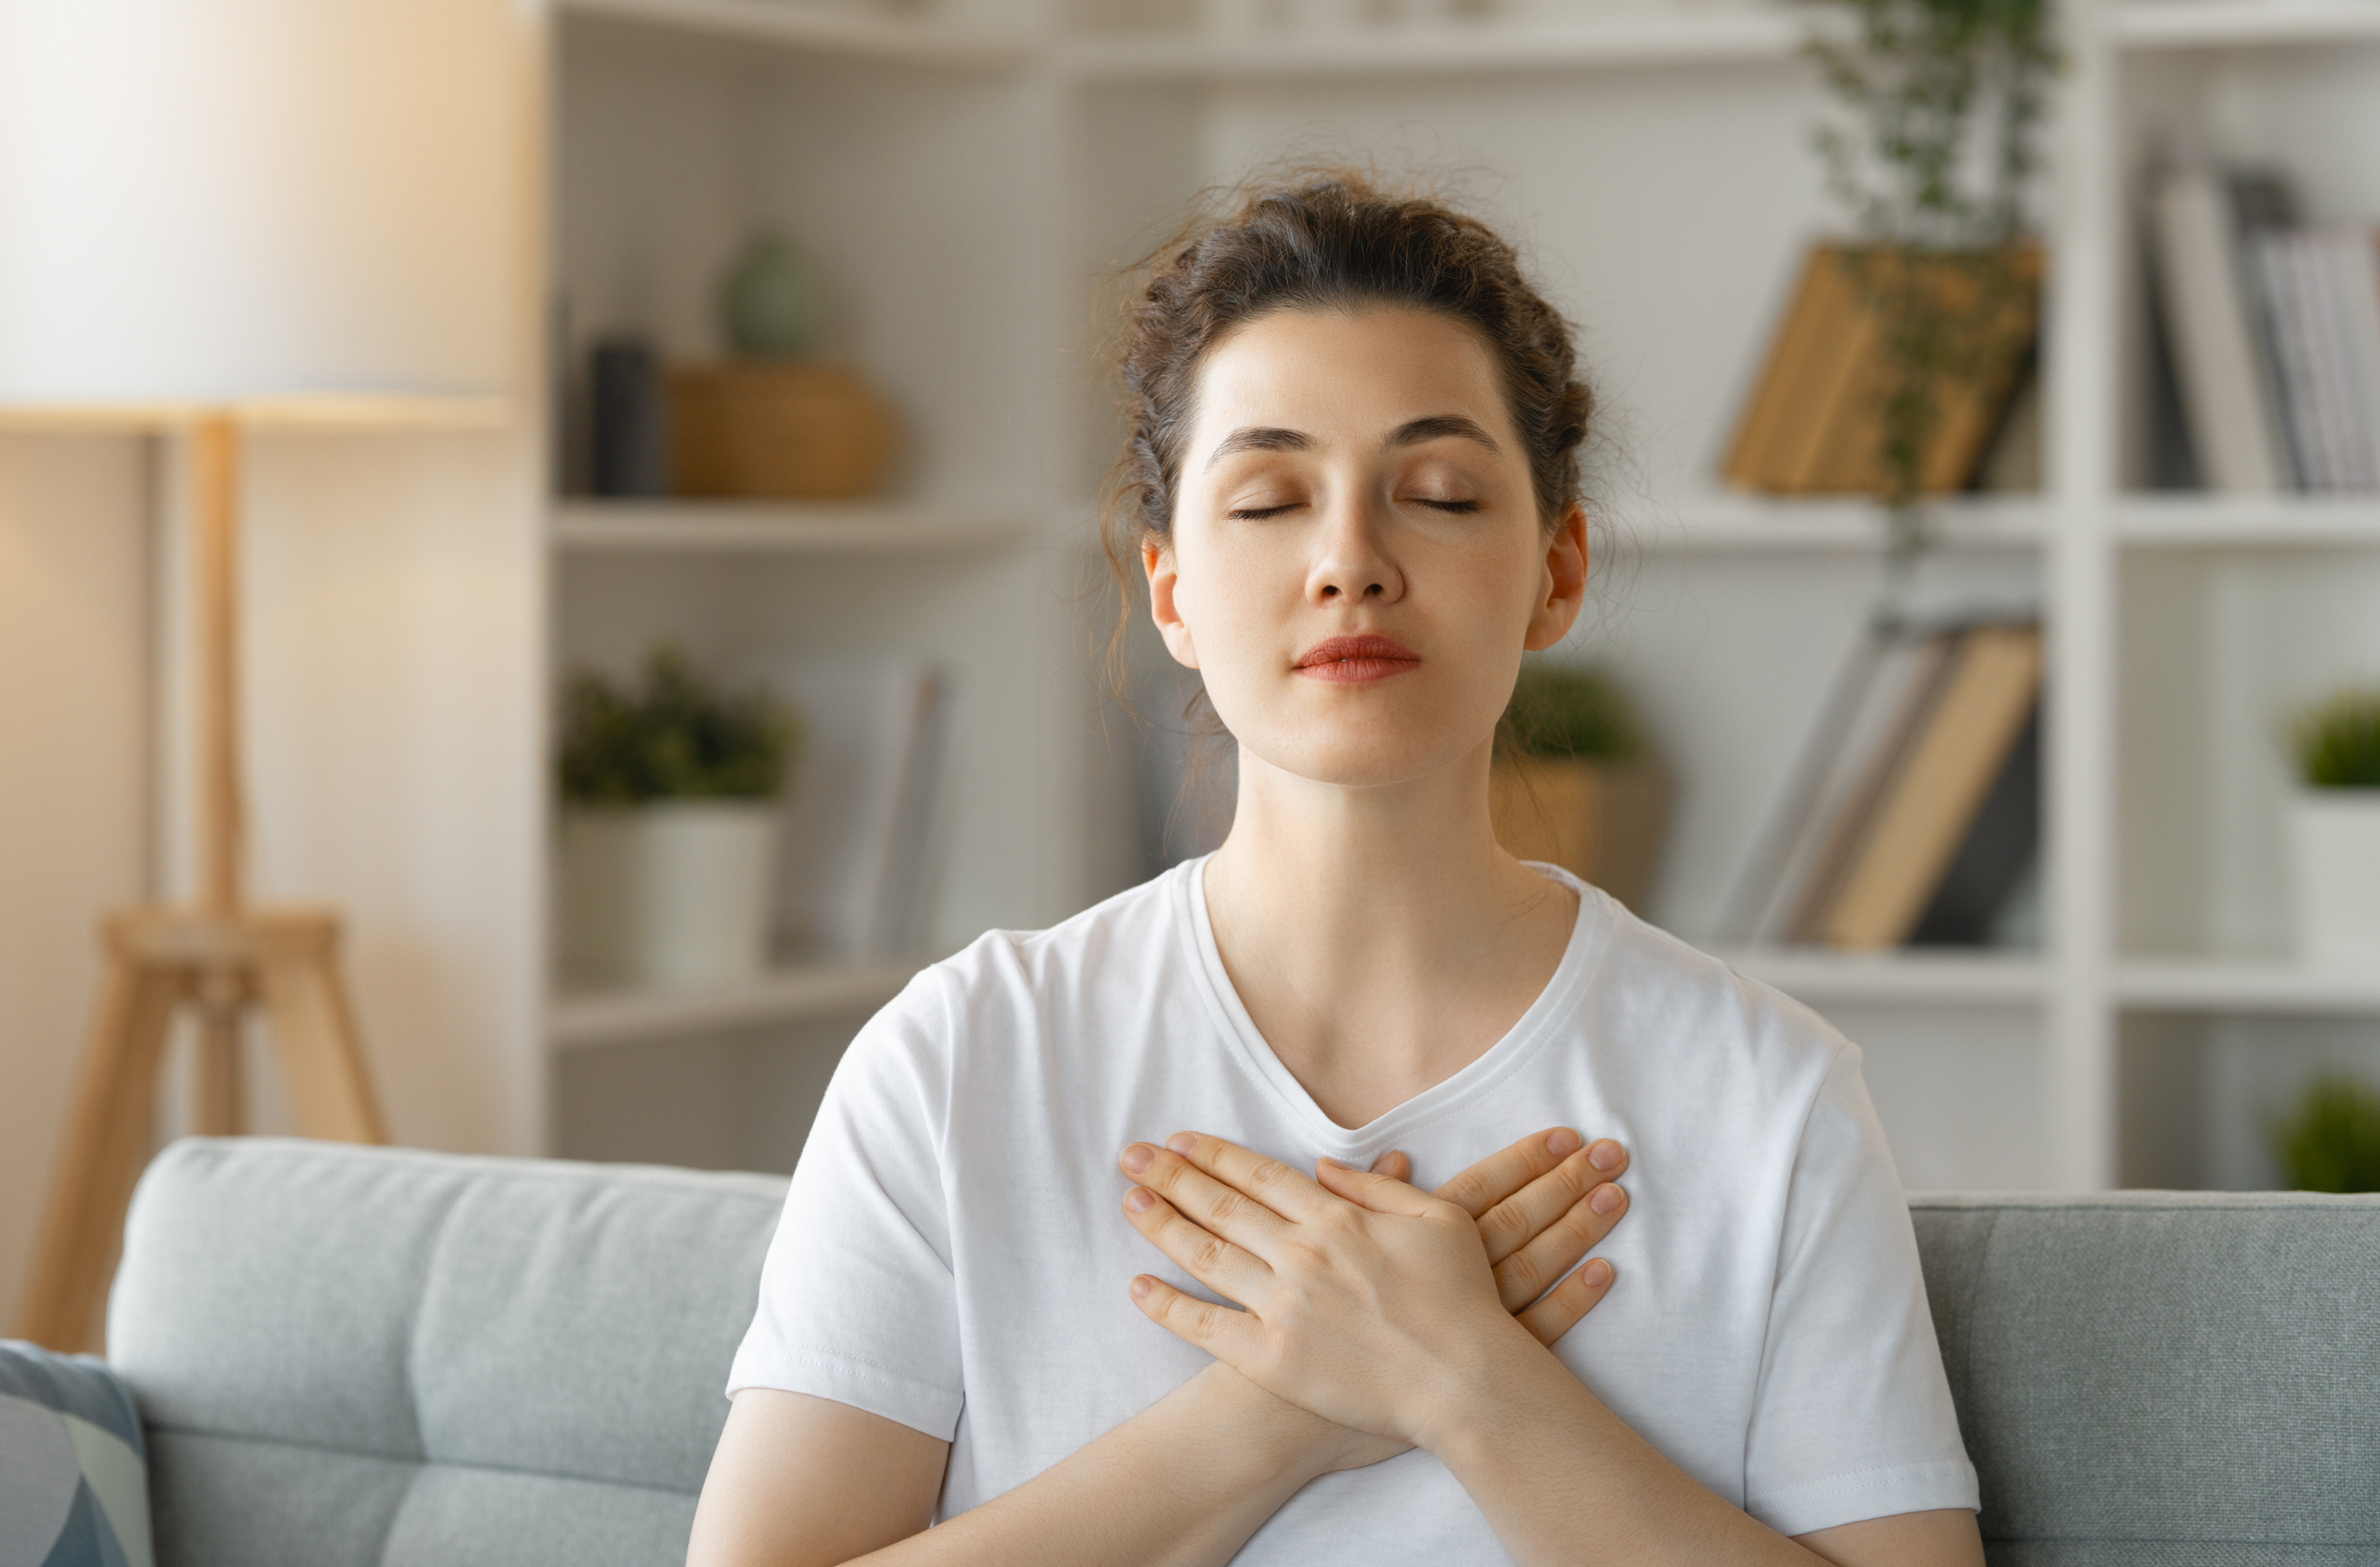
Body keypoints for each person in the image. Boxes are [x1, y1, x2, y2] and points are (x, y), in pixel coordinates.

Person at [686, 169, 1982, 1567]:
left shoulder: (1768, 1099)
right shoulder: (958, 1063)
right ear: (1169, 587)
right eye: (1266, 500)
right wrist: (1278, 1404)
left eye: (1435, 491)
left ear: (1558, 571)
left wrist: (1461, 1378)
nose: (1349, 560)